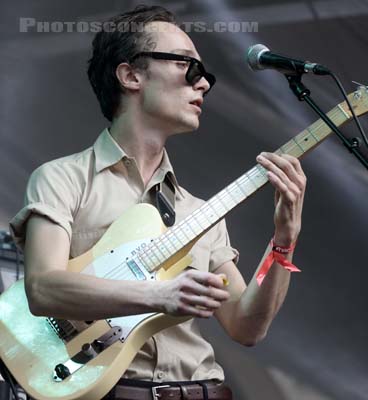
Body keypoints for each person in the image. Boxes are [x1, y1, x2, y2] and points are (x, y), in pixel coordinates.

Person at [9, 5, 306, 400]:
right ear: (131, 75)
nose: (204, 85)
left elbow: (246, 327)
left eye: (205, 74)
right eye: (188, 66)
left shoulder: (202, 211)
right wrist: (159, 296)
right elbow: (43, 289)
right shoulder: (62, 179)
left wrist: (284, 238)